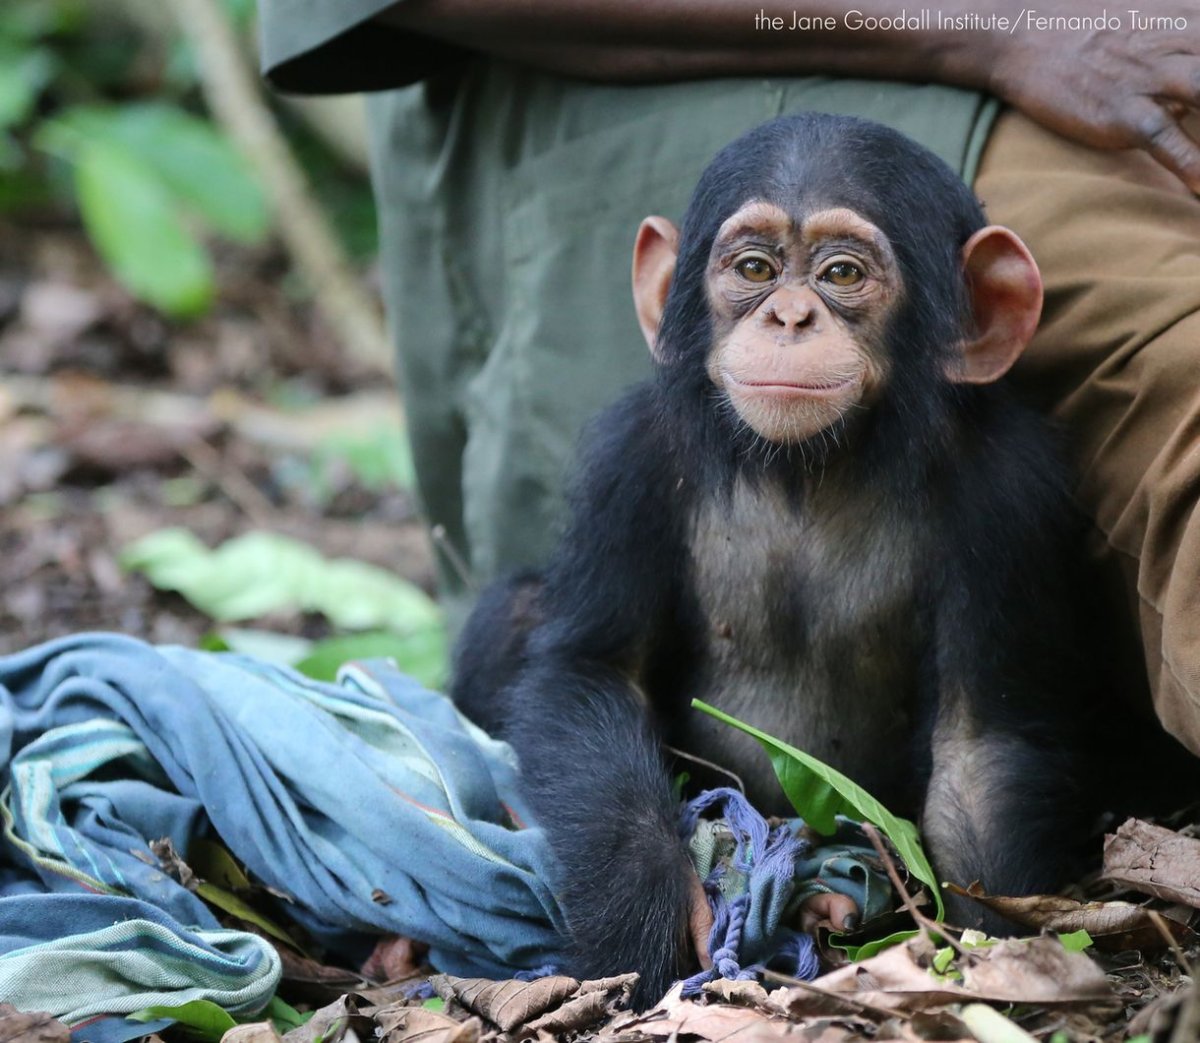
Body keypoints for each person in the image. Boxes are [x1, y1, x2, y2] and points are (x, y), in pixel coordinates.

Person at [258, 2, 1200, 759]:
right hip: (857, 83)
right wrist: (1004, 26)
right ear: (665, 291)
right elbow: (587, 676)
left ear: (983, 321)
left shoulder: (997, 474)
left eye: (835, 279)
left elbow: (987, 743)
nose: (790, 314)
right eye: (758, 275)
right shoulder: (647, 442)